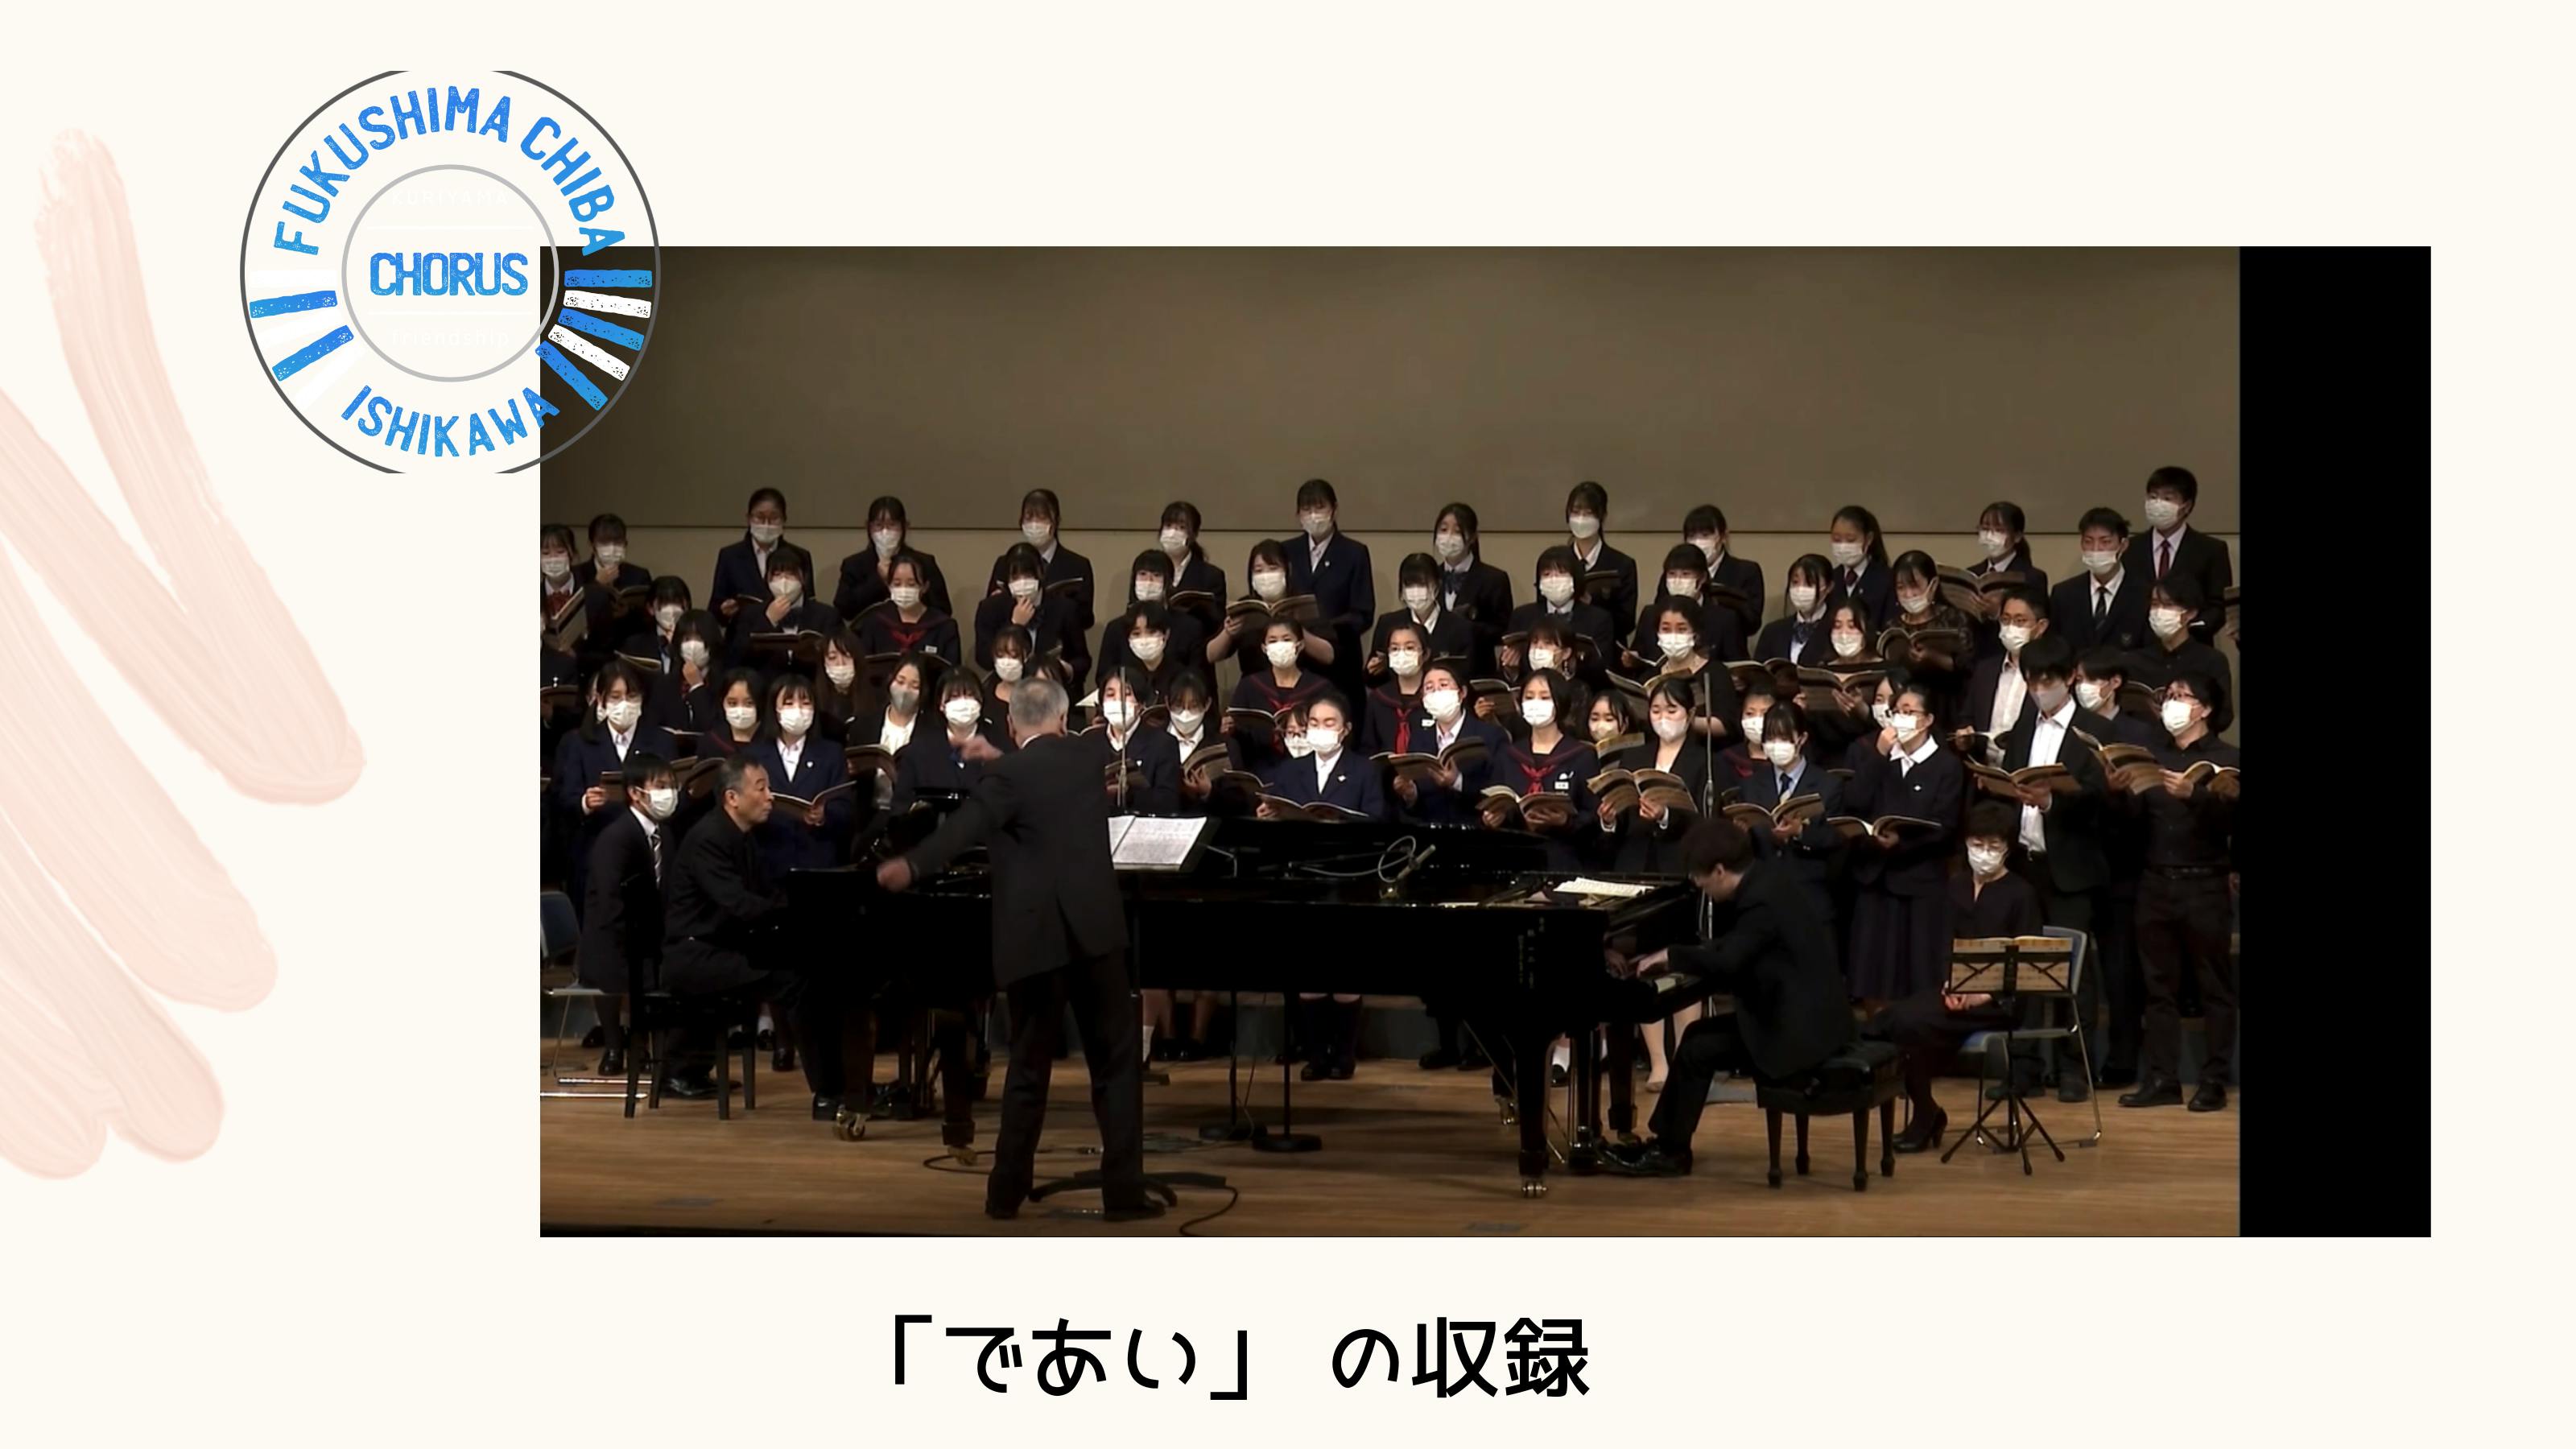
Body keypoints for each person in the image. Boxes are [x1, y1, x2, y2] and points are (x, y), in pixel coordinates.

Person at [877, 677, 1157, 1221]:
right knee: (1116, 1069)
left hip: (1036, 939)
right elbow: (1047, 772)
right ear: (1063, 719)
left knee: (1028, 1070)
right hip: (1096, 934)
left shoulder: (1006, 776)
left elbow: (966, 828)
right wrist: (1004, 760)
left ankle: (1005, 1194)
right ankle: (1124, 1195)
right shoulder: (1086, 758)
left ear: (1009, 723)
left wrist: (911, 865)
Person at [1596, 819, 1854, 1177]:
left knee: (1697, 1048)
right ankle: (1669, 1145)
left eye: (1699, 877)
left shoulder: (1759, 901)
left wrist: (1674, 956)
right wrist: (1683, 956)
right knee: (1697, 1038)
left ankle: (1670, 1152)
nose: (1697, 884)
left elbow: (1730, 960)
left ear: (1719, 870)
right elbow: (1738, 946)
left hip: (1796, 1032)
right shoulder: (1767, 879)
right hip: (1805, 1015)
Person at [1872, 801, 2047, 1153]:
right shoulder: (1956, 886)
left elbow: (2028, 964)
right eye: (1977, 844)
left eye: (1993, 846)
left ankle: (1925, 1117)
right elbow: (1945, 946)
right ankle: (1926, 1109)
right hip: (1957, 992)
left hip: (2001, 1002)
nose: (1984, 853)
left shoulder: (2021, 894)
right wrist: (1950, 985)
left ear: (2007, 849)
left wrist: (1983, 995)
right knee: (1890, 1019)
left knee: (1911, 1024)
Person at [1990, 636, 2112, 1100]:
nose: (2040, 689)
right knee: (2019, 967)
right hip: (2026, 863)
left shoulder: (2093, 731)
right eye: (2033, 681)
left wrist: (2052, 801)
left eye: (2048, 680)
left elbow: (2101, 800)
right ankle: (2022, 1067)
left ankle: (2073, 1068)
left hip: (2070, 868)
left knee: (2071, 970)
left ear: (2070, 677)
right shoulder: (2023, 727)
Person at [2118, 671, 2240, 1113]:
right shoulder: (2153, 755)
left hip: (2205, 883)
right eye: (2169, 695)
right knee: (2158, 987)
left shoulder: (2228, 759)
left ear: (2204, 709)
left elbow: (2234, 823)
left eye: (2182, 696)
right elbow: (2134, 824)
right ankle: (2162, 1078)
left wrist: (2195, 795)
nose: (2172, 702)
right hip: (2156, 882)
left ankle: (2214, 1080)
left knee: (2214, 988)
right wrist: (2121, 793)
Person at [657, 756, 800, 1102]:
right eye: (761, 788)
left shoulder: (740, 835)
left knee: (794, 969)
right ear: (732, 798)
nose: (770, 797)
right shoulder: (710, 838)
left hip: (718, 945)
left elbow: (763, 894)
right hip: (695, 953)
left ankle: (689, 1067)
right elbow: (739, 903)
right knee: (791, 978)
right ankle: (831, 1087)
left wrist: (797, 909)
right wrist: (790, 918)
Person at [1843, 679, 1963, 1004]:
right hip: (1876, 877)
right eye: (1896, 711)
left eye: (1910, 712)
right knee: (1871, 977)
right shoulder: (1878, 756)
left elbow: (1945, 827)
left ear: (1928, 720)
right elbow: (1854, 801)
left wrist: (1902, 842)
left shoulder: (1946, 766)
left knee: (1917, 977)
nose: (1901, 718)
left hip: (1920, 882)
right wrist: (1879, 754)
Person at [2073, 645, 2154, 1085]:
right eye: (2079, 678)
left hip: (2122, 865)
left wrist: (2116, 792)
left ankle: (2123, 1060)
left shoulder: (2137, 732)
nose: (2082, 687)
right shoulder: (2074, 728)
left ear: (2114, 682)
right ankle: (2071, 1061)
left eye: (2090, 678)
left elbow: (2146, 804)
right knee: (2077, 969)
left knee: (2121, 971)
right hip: (2077, 860)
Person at [576, 752, 678, 1076]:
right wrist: (643, 938)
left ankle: (646, 1046)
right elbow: (609, 902)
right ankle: (614, 1046)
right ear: (635, 792)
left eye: (671, 785)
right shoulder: (616, 837)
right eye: (660, 786)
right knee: (633, 967)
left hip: (649, 935)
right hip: (612, 937)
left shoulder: (665, 834)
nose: (668, 793)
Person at [551, 659, 677, 918]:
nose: (624, 704)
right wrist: (585, 803)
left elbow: (675, 795)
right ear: (601, 700)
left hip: (647, 857)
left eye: (631, 696)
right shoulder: (577, 742)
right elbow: (563, 799)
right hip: (596, 852)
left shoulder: (662, 741)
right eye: (616, 697)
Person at [1285, 478, 1375, 705]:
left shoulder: (1354, 553)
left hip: (1340, 663)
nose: (1313, 515)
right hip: (1296, 661)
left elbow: (1363, 613)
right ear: (1298, 514)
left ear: (1334, 509)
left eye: (1320, 507)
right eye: (1307, 509)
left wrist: (1325, 630)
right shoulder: (1287, 551)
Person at [2124, 465, 2232, 646]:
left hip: (2192, 646)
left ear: (2186, 506)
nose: (2158, 503)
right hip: (2138, 648)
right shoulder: (2130, 548)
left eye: (2168, 498)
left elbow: (2218, 606)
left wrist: (2188, 630)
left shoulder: (2211, 549)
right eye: (2153, 496)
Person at [2126, 576, 2235, 735]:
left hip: (2195, 745)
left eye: (2169, 605)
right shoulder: (2134, 661)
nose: (2159, 612)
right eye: (2155, 604)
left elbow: (2224, 717)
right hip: (2145, 743)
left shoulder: (2212, 661)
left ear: (2190, 613)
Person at [975, 542, 1088, 693]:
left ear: (1040, 574)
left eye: (1028, 575)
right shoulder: (991, 608)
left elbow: (1083, 660)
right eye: (1015, 577)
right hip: (1007, 691)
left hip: (1052, 691)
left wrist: (1066, 669)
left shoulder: (1064, 608)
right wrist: (1014, 625)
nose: (1022, 582)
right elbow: (983, 659)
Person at [1505, 547, 1620, 693]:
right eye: (1547, 574)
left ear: (1575, 579)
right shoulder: (1522, 616)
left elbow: (1605, 672)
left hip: (1581, 695)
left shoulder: (1599, 619)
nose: (1554, 580)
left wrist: (1572, 666)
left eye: (1561, 573)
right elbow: (1512, 673)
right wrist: (1511, 670)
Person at [984, 487, 1095, 637]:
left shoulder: (1078, 566)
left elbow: (1086, 619)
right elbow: (991, 613)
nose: (1034, 524)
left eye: (1042, 517)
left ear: (1055, 521)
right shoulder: (1004, 564)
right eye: (1028, 517)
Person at [1958, 587, 2051, 764]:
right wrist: (1965, 738)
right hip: (1984, 772)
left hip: (2028, 773)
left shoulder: (2050, 675)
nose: (2010, 628)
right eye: (2006, 620)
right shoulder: (1985, 670)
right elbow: (1967, 718)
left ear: (2041, 627)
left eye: (2020, 621)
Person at [1228, 613, 1332, 766]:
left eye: (1286, 639)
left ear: (1300, 645)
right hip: (1259, 767)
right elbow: (1236, 734)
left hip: (1309, 767)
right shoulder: (1249, 686)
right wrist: (1230, 728)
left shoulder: (1321, 688)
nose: (1280, 645)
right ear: (1264, 648)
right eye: (1273, 641)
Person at [834, 495, 953, 621]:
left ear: (905, 526)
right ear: (868, 527)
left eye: (892, 525)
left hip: (916, 630)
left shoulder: (924, 562)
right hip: (868, 631)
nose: (885, 532)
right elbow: (844, 610)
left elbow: (943, 610)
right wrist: (877, 580)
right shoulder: (854, 564)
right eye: (878, 525)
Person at [1432, 502, 1517, 679]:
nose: (1448, 537)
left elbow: (1504, 629)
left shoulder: (1493, 579)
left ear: (1472, 537)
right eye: (1444, 530)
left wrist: (1467, 626)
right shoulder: (1431, 576)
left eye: (1457, 531)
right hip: (1435, 673)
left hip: (1477, 671)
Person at [1098, 555, 1208, 691]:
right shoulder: (1116, 628)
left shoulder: (1190, 627)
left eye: (1156, 575)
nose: (1148, 582)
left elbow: (1198, 678)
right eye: (1143, 574)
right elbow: (1103, 677)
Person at [1631, 543, 1745, 672]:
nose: (1677, 581)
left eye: (1685, 574)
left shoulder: (1725, 619)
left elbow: (1739, 667)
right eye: (1672, 574)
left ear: (1702, 578)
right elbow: (1639, 656)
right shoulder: (1650, 614)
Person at [895, 672, 1002, 809]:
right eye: (954, 696)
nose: (963, 703)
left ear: (980, 702)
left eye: (970, 695)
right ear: (941, 705)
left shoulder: (999, 745)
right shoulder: (918, 750)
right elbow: (901, 805)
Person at [2053, 507, 2149, 654]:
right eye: (2088, 541)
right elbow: (2054, 648)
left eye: (2105, 542)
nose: (2096, 549)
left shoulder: (2144, 593)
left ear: (2123, 545)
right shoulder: (2063, 594)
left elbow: (2150, 651)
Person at [1087, 667, 1181, 815]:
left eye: (1126, 694)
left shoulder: (1163, 743)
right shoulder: (1088, 742)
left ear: (1141, 703)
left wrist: (1130, 794)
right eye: (1110, 695)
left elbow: (1168, 801)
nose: (1118, 701)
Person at [729, 547, 837, 670]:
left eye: (790, 574)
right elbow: (736, 660)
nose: (784, 581)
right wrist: (768, 620)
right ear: (767, 579)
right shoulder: (750, 614)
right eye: (777, 575)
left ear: (804, 578)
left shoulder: (827, 616)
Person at [853, 551, 963, 674]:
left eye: (911, 584)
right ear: (889, 586)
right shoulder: (874, 623)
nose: (904, 590)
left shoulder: (944, 627)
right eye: (897, 584)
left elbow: (952, 674)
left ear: (925, 587)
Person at [1368, 553, 1474, 679]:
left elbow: (1468, 675)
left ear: (1437, 586)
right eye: (1409, 585)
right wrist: (1375, 669)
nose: (1416, 591)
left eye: (1422, 584)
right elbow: (1372, 678)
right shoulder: (1388, 623)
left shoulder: (1460, 628)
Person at [708, 488, 803, 626]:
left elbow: (809, 606)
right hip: (742, 632)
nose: (766, 524)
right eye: (760, 517)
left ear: (784, 520)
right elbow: (714, 610)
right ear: (749, 518)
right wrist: (724, 610)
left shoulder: (799, 556)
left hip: (787, 631)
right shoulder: (730, 556)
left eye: (774, 518)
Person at [1565, 480, 1640, 643]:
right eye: (1576, 512)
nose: (1581, 519)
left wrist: (1593, 604)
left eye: (1588, 513)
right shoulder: (1557, 562)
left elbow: (1627, 623)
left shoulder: (1622, 565)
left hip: (1607, 647)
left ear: (1602, 516)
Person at [1684, 504, 1765, 640]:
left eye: (1706, 535)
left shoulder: (1746, 571)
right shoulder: (1675, 575)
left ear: (1723, 536)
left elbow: (1753, 623)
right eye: (1692, 536)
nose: (1698, 542)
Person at [1360, 619, 1435, 756]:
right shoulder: (1378, 698)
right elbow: (1368, 748)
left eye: (1410, 648)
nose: (1402, 654)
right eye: (1395, 649)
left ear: (1425, 654)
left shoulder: (1438, 696)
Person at [584, 513, 657, 649]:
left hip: (628, 647)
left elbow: (649, 620)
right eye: (604, 542)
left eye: (618, 543)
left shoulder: (639, 575)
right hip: (589, 650)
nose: (612, 548)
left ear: (625, 545)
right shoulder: (578, 574)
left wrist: (629, 611)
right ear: (592, 544)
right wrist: (596, 585)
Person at [1156, 501, 1229, 634]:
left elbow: (1217, 624)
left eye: (1181, 527)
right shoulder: (1147, 569)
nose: (1172, 533)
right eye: (1168, 526)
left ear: (1194, 534)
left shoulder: (1211, 576)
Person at [1752, 553, 1835, 667]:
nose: (1801, 589)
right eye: (1795, 582)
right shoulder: (1772, 632)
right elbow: (1757, 673)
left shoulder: (1838, 630)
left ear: (1829, 587)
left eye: (1810, 583)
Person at [1823, 504, 1895, 631]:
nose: (1843, 547)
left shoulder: (1886, 579)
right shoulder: (1830, 579)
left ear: (1868, 539)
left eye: (1851, 540)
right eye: (1837, 540)